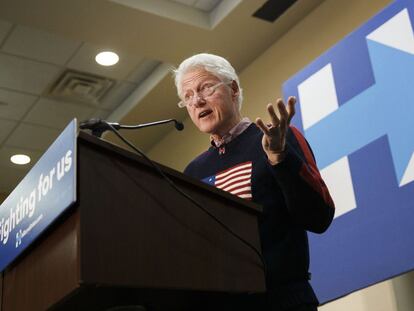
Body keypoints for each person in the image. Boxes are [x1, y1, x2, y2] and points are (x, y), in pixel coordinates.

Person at [173, 53, 335, 311]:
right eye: (188, 96)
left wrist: (279, 159)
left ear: (233, 89)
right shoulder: (193, 171)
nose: (197, 101)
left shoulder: (277, 139)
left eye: (205, 88)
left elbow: (319, 216)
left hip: (283, 300)